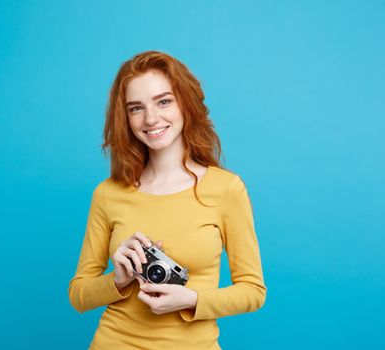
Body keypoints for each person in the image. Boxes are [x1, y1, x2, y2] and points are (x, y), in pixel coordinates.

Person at [68, 50, 266, 349]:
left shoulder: (226, 189)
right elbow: (78, 295)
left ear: (184, 104)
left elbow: (253, 291)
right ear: (126, 118)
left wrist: (192, 300)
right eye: (136, 108)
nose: (151, 118)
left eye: (163, 101)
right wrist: (119, 280)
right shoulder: (108, 193)